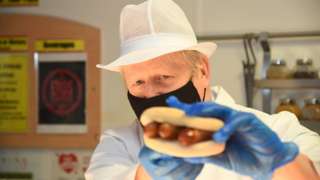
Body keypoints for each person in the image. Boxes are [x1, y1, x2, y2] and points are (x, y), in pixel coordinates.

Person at [85, 0, 320, 179]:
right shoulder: (119, 144)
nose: (151, 94)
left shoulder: (279, 130)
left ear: (203, 71)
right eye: (138, 82)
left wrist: (279, 160)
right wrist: (150, 173)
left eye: (164, 77)